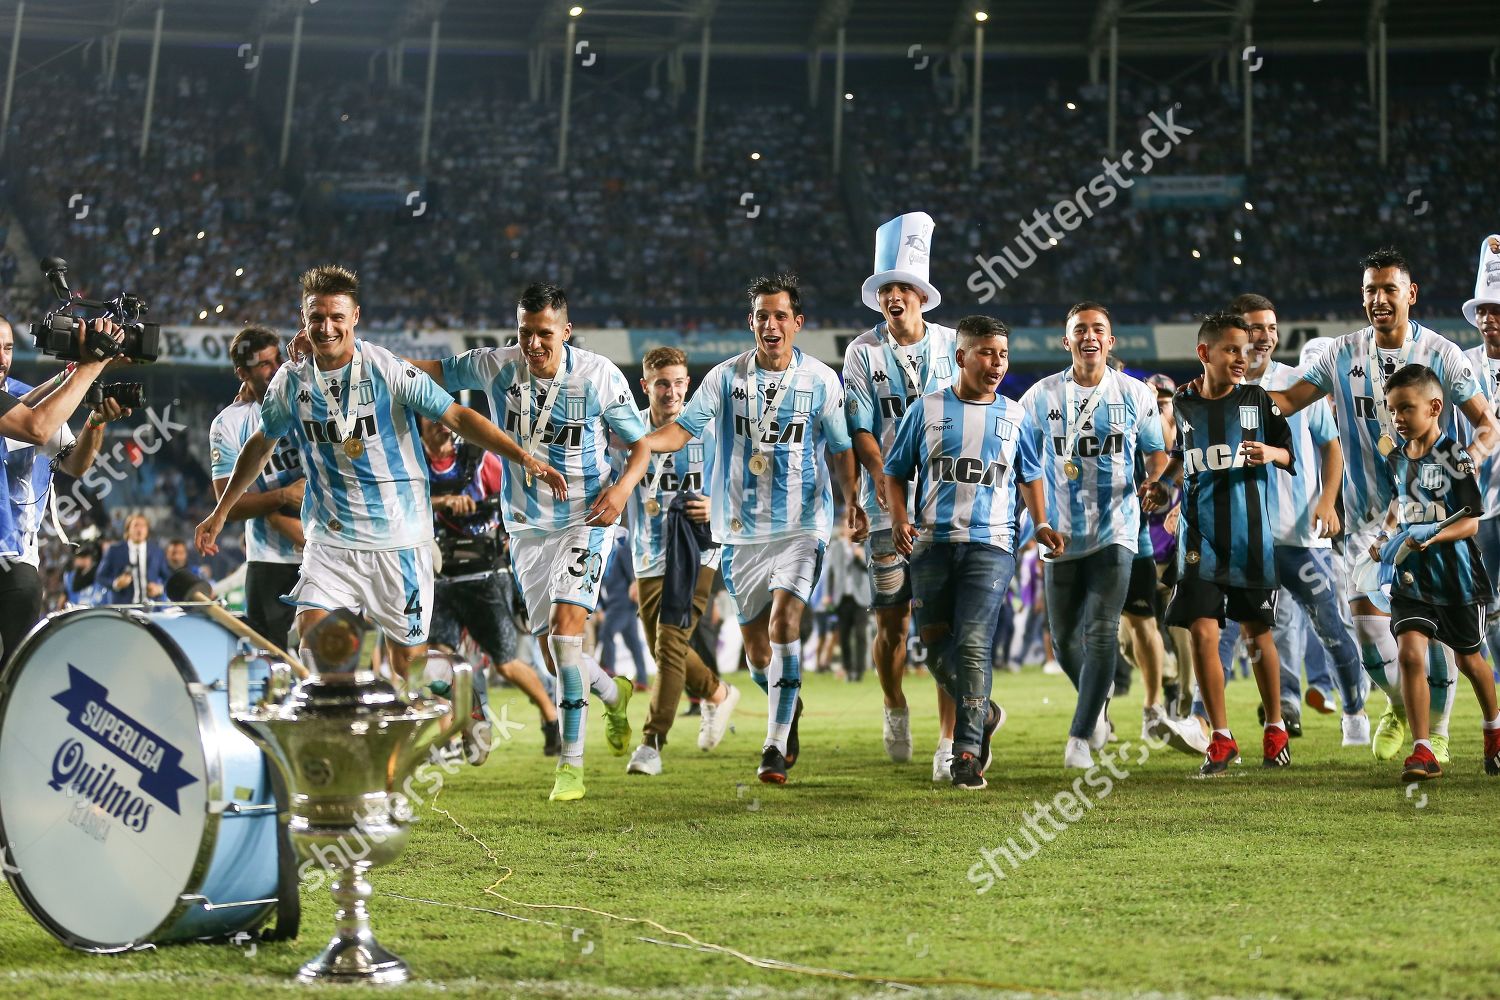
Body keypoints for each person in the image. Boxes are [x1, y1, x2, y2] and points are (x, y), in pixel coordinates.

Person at [196, 265, 565, 705]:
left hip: (398, 542)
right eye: (316, 317)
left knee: (407, 668)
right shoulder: (290, 381)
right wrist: (220, 512)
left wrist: (521, 456)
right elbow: (260, 444)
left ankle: (463, 690)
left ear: (355, 317)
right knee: (314, 637)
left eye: (336, 316)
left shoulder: (386, 369)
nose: (325, 327)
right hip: (330, 542)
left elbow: (457, 417)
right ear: (303, 318)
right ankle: (347, 731)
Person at [409, 282, 649, 802]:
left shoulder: (598, 375)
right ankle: (612, 691)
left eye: (544, 334)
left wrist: (622, 489)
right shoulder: (496, 365)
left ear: (566, 331)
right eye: (525, 333)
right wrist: (358, 356)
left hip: (588, 518)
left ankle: (571, 766)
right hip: (525, 529)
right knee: (548, 651)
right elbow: (429, 371)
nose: (534, 344)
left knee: (566, 638)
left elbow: (641, 445)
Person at [1266, 248, 1500, 764]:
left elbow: (1488, 423)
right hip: (1365, 518)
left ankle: (1433, 734)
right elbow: (1287, 403)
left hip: (1428, 519)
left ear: (1410, 295)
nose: (1378, 299)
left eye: (1389, 289)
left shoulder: (1444, 354)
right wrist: (1235, 393)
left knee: (1433, 637)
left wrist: (1466, 461)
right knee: (1370, 633)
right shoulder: (1341, 354)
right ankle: (1400, 706)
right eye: (1370, 289)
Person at [642, 273, 865, 785]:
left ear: (797, 323)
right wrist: (647, 445)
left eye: (780, 315)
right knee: (756, 652)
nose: (770, 324)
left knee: (784, 626)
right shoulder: (724, 378)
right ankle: (788, 706)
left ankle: (772, 744)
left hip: (801, 525)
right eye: (762, 316)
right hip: (740, 532)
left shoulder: (821, 381)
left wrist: (852, 500)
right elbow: (684, 429)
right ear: (751, 323)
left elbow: (839, 446)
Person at [884, 315, 1053, 790]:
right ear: (961, 357)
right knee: (935, 647)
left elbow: (1031, 474)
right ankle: (985, 710)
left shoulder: (1015, 416)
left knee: (974, 644)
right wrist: (900, 518)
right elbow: (895, 472)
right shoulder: (927, 408)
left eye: (1002, 353)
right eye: (986, 352)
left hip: (991, 544)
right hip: (932, 545)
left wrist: (1039, 523)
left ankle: (967, 754)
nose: (996, 362)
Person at [1017, 301, 1175, 769]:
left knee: (1102, 628)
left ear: (1111, 341)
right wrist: (1036, 520)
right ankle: (1099, 699)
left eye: (1098, 329)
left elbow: (1157, 454)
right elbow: (1024, 465)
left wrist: (1155, 483)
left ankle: (1081, 736)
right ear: (1067, 341)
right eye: (1080, 330)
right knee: (1065, 641)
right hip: (1059, 535)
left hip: (1116, 531)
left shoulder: (1135, 394)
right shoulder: (1039, 398)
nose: (1089, 336)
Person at [1142, 312, 1296, 776]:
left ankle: (1275, 726)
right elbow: (1180, 459)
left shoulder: (1258, 401)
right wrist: (1162, 486)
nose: (1241, 358)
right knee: (1204, 632)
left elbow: (1287, 452)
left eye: (1245, 350)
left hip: (1250, 538)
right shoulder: (1184, 403)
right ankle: (1222, 737)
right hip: (1199, 538)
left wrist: (1271, 453)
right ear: (1204, 353)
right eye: (1231, 349)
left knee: (1256, 634)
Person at [843, 212, 959, 777]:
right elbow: (860, 430)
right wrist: (889, 492)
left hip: (946, 506)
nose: (894, 296)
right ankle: (894, 705)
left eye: (902, 288)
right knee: (892, 623)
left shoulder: (953, 346)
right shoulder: (862, 352)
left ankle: (948, 741)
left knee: (943, 623)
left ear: (920, 296)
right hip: (887, 508)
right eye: (885, 289)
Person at [1229, 293, 1370, 744]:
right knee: (1236, 633)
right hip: (1246, 537)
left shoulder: (1298, 384)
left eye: (1271, 327)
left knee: (1329, 626)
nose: (1266, 336)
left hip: (1300, 534)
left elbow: (1332, 448)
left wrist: (1328, 502)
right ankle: (1239, 714)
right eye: (1255, 327)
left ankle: (1353, 710)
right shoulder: (1218, 390)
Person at [1368, 364, 1500, 780]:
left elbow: (1471, 521)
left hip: (1457, 575)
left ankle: (1494, 730)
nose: (1399, 419)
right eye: (1393, 411)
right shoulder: (1398, 456)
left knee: (1470, 661)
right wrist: (1385, 533)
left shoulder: (1455, 456)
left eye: (1407, 409)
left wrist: (1431, 537)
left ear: (1434, 407)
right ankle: (1422, 750)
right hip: (1412, 577)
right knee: (1410, 654)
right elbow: (1400, 503)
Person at [618, 346, 738, 778]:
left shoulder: (708, 426)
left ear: (689, 384)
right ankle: (717, 693)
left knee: (669, 643)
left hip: (699, 550)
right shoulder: (627, 429)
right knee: (664, 647)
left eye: (678, 383)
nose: (671, 392)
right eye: (662, 383)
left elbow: (744, 474)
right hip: (648, 551)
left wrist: (719, 506)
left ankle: (652, 742)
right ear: (645, 385)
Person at [420, 414, 562, 758]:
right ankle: (451, 738)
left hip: (486, 573)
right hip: (439, 575)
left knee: (505, 663)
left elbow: (518, 499)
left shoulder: (480, 458)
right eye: (432, 419)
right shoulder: (413, 462)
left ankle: (551, 716)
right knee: (439, 661)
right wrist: (442, 503)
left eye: (445, 420)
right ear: (418, 423)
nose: (442, 425)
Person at [0, 315, 130, 663]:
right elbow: (37, 426)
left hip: (17, 560)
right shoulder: (27, 410)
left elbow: (75, 463)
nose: (2, 358)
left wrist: (95, 422)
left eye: (8, 348)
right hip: (11, 565)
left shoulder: (20, 396)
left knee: (18, 664)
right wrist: (90, 366)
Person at [209, 324, 306, 645]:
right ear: (242, 373)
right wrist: (282, 496)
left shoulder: (307, 396)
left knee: (330, 652)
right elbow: (229, 504)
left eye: (276, 359)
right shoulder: (229, 423)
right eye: (264, 364)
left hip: (328, 550)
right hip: (271, 560)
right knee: (270, 658)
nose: (275, 368)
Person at [1458, 235, 1500, 673]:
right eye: (1484, 310)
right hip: (1478, 508)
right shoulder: (1462, 366)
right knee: (1488, 607)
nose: (1489, 319)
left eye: (1497, 310)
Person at [596, 533, 649, 689]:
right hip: (614, 603)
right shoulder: (603, 552)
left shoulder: (621, 548)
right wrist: (602, 606)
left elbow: (632, 574)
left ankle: (610, 675)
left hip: (623, 602)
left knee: (606, 634)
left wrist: (635, 586)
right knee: (632, 642)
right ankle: (643, 679)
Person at [98, 512, 169, 605]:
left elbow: (167, 577)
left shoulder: (157, 552)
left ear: (147, 530)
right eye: (136, 525)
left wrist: (160, 588)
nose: (139, 529)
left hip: (151, 607)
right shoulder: (114, 550)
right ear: (128, 529)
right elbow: (100, 576)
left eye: (143, 526)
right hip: (123, 608)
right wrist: (115, 583)